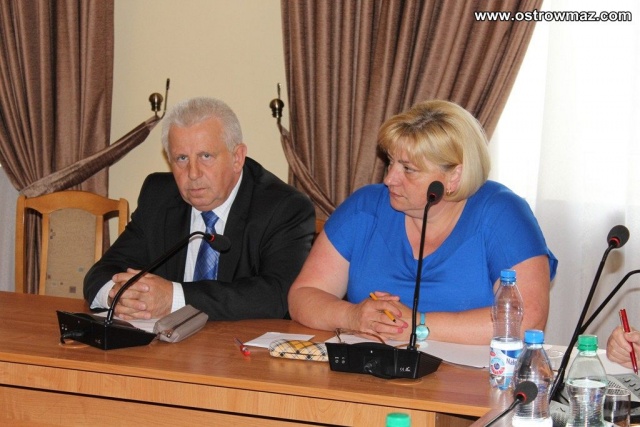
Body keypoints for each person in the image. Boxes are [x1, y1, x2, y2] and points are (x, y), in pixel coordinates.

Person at [288, 99, 557, 345]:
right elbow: (303, 296)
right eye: (391, 162)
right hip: (371, 369)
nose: (389, 179)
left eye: (408, 169)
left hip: (473, 377)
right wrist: (353, 316)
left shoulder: (502, 213)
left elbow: (527, 318)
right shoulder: (365, 208)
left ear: (453, 177)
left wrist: (419, 326)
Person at [84, 97, 315, 321]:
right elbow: (101, 272)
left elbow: (278, 294)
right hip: (165, 343)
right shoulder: (158, 196)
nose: (193, 173)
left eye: (205, 156)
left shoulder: (284, 207)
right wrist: (117, 295)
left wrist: (174, 298)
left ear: (237, 157)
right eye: (181, 158)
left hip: (239, 344)